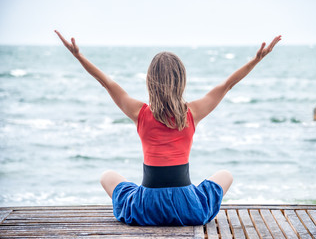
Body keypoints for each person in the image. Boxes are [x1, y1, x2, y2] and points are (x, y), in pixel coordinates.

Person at [55, 30, 281, 226]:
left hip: (147, 207)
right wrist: (256, 59)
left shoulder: (139, 113)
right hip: (188, 208)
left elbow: (107, 83)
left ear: (150, 81)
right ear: (181, 80)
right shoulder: (192, 113)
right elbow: (227, 85)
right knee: (225, 175)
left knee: (107, 176)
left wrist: (79, 56)